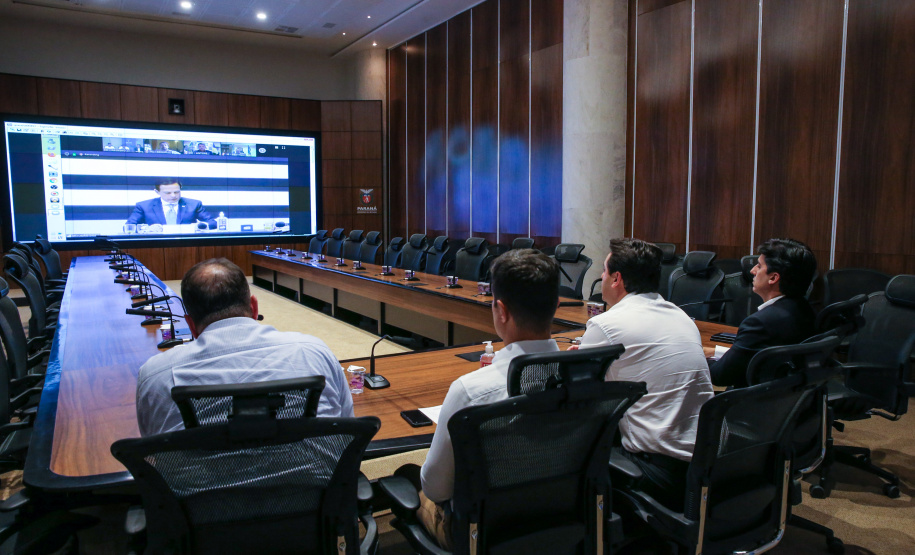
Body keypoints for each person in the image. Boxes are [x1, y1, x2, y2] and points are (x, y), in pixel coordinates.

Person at [415, 249, 561, 549]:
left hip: (481, 533)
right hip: (561, 519)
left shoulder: (470, 390)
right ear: (557, 306)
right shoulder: (587, 376)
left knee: (411, 482)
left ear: (501, 311)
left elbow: (436, 487)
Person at [135, 258, 354, 436]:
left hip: (201, 490)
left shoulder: (155, 375)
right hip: (316, 488)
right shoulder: (314, 352)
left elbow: (154, 450)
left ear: (190, 325)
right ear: (254, 307)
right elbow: (347, 429)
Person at [577, 238, 713, 511]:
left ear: (617, 279)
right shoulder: (681, 316)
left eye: (604, 272)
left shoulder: (607, 324)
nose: (601, 277)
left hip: (654, 471)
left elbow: (580, 391)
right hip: (705, 464)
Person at [708, 238, 817, 388]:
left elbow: (719, 377)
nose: (752, 271)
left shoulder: (760, 323)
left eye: (759, 266)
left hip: (749, 403)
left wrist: (699, 357)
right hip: (787, 400)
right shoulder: (805, 310)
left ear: (773, 278)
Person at [125, 178, 216, 232]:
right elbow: (128, 227)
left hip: (187, 245)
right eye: (168, 193)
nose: (173, 196)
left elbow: (213, 223)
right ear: (157, 192)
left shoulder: (194, 204)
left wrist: (199, 226)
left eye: (176, 192)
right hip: (156, 245)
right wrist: (147, 229)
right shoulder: (144, 206)